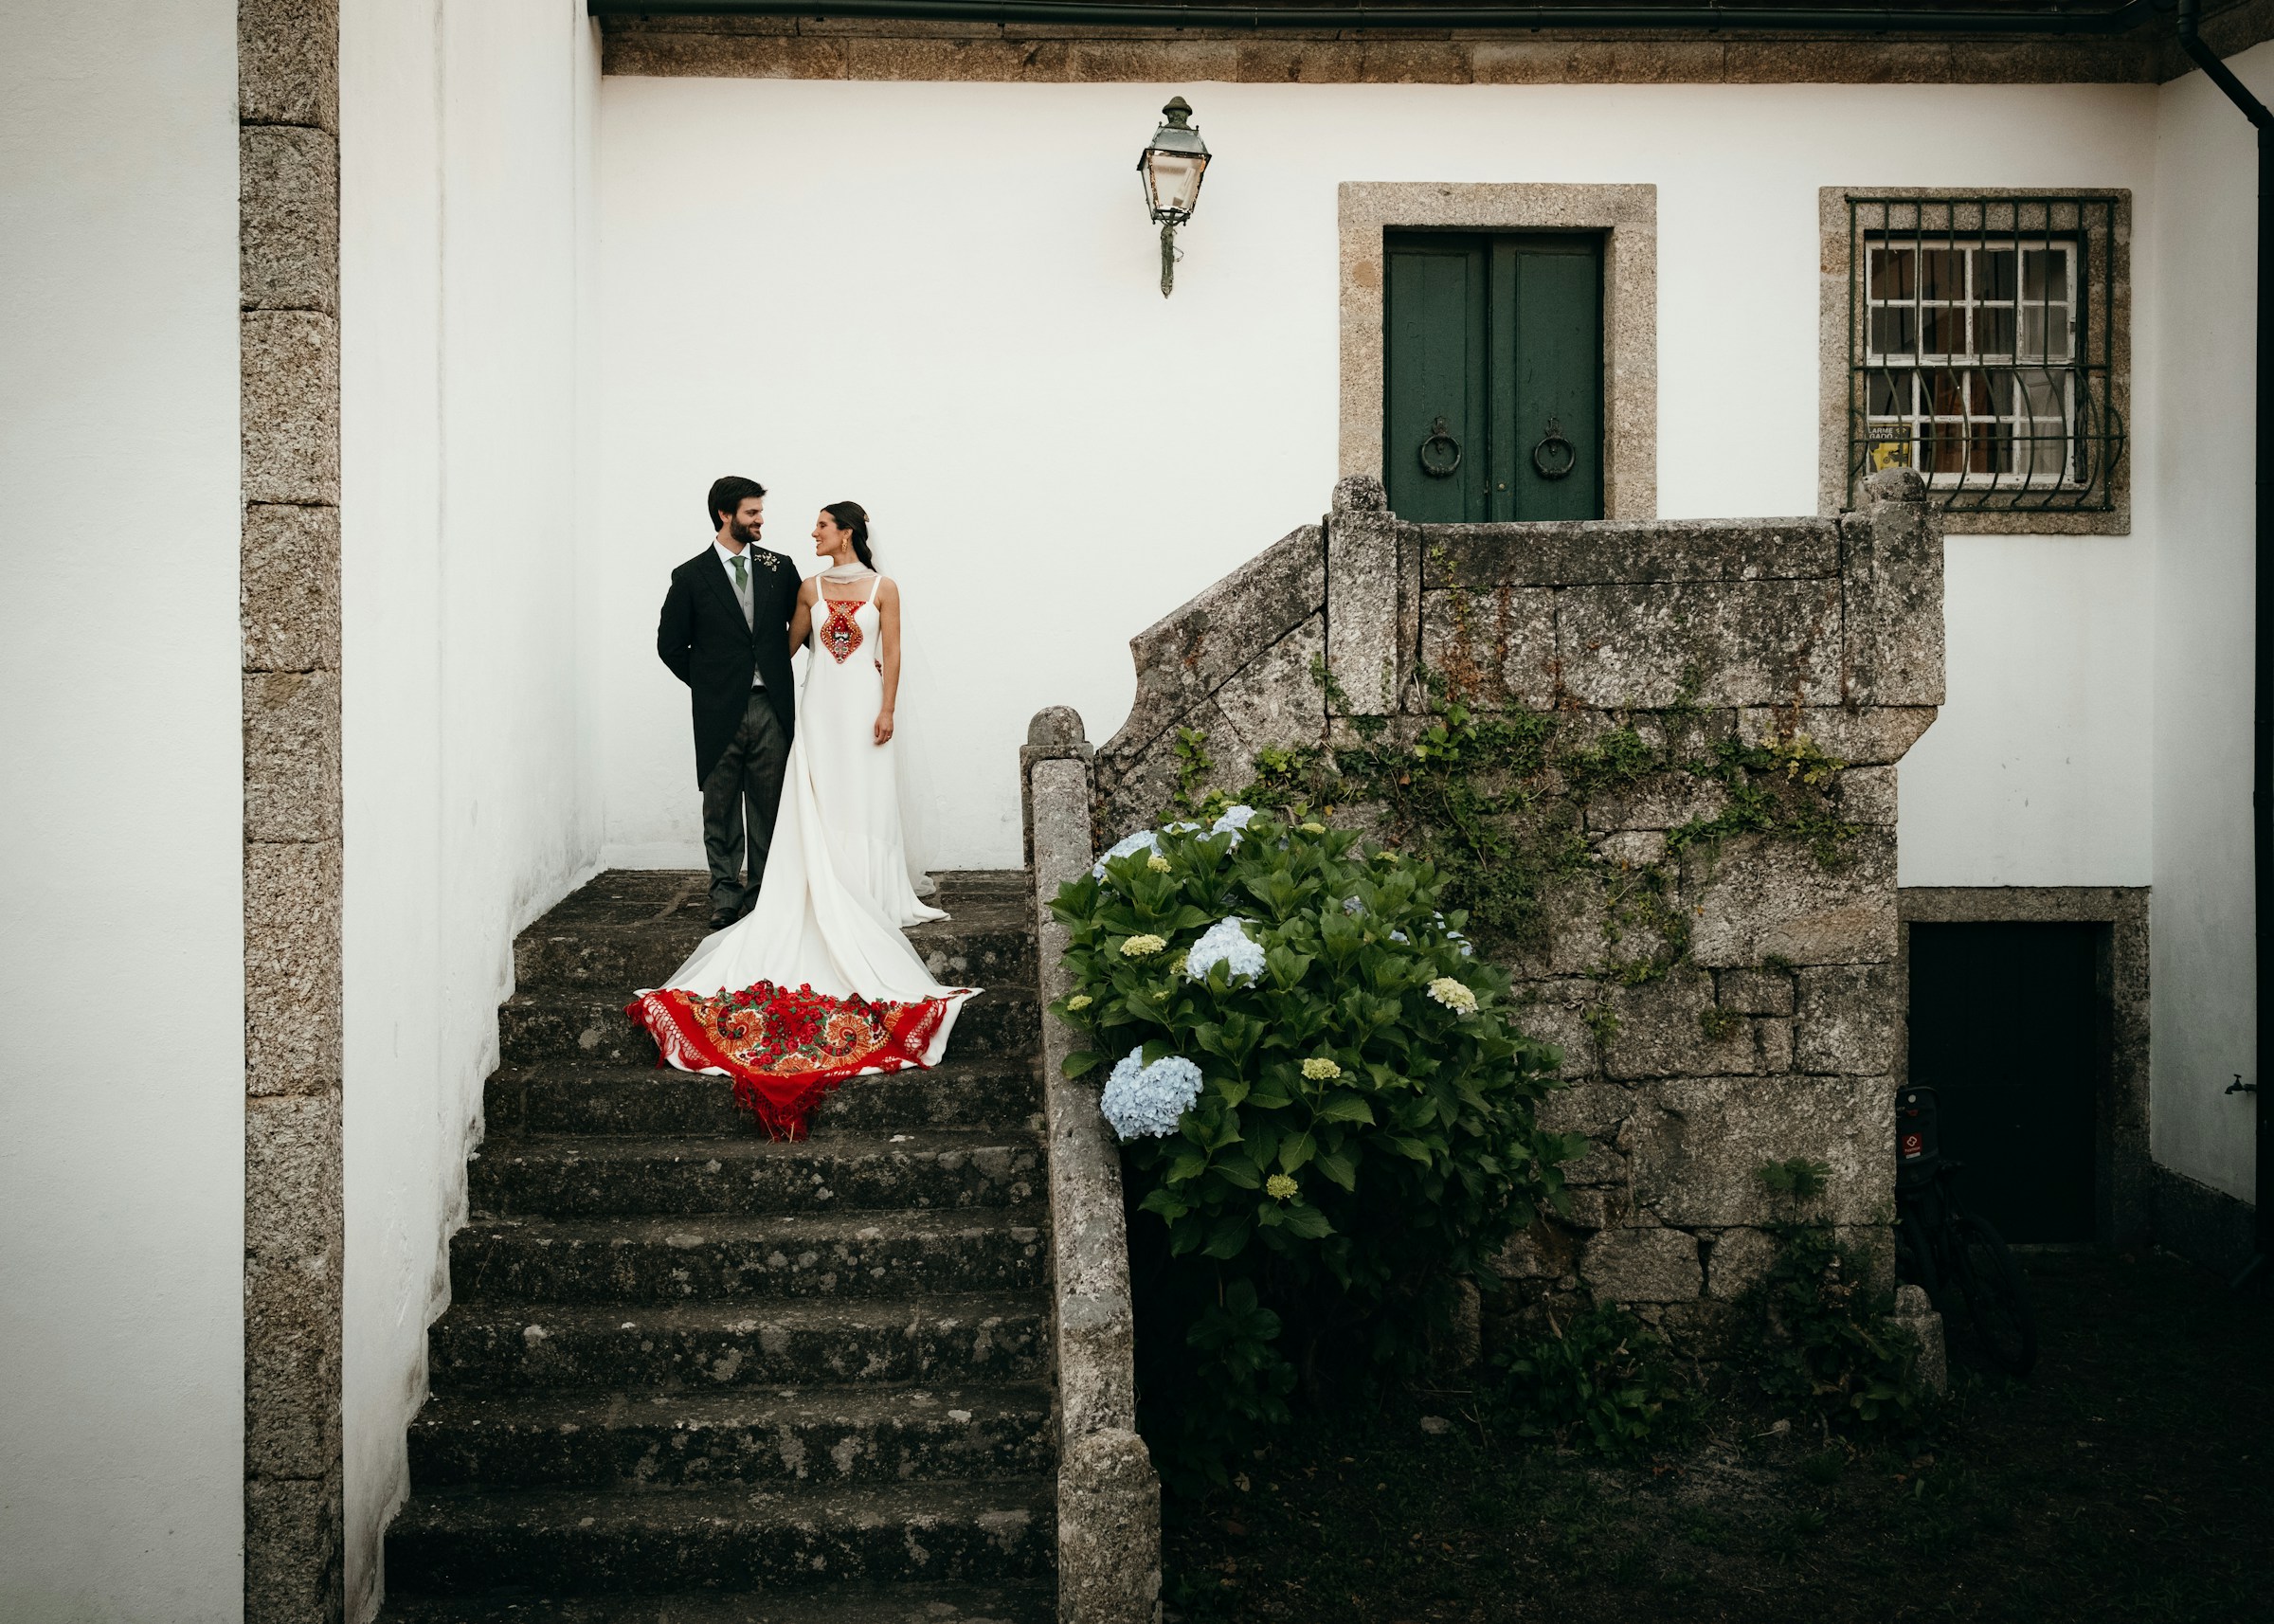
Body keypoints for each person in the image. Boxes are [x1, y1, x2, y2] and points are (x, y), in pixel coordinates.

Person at [629, 501, 976, 1138]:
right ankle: (817, 878)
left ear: (846, 531)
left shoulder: (884, 589)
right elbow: (783, 647)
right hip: (819, 711)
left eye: (821, 525)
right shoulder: (808, 588)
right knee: (818, 794)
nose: (812, 534)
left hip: (865, 707)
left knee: (862, 796)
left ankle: (867, 886)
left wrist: (889, 708)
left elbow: (890, 652)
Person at [655, 475, 801, 930]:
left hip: (770, 707)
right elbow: (670, 645)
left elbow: (805, 627)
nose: (761, 520)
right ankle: (725, 895)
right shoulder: (691, 576)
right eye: (752, 512)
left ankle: (763, 893)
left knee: (769, 804)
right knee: (718, 805)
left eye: (760, 512)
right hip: (718, 711)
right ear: (725, 514)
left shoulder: (782, 567)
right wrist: (712, 685)